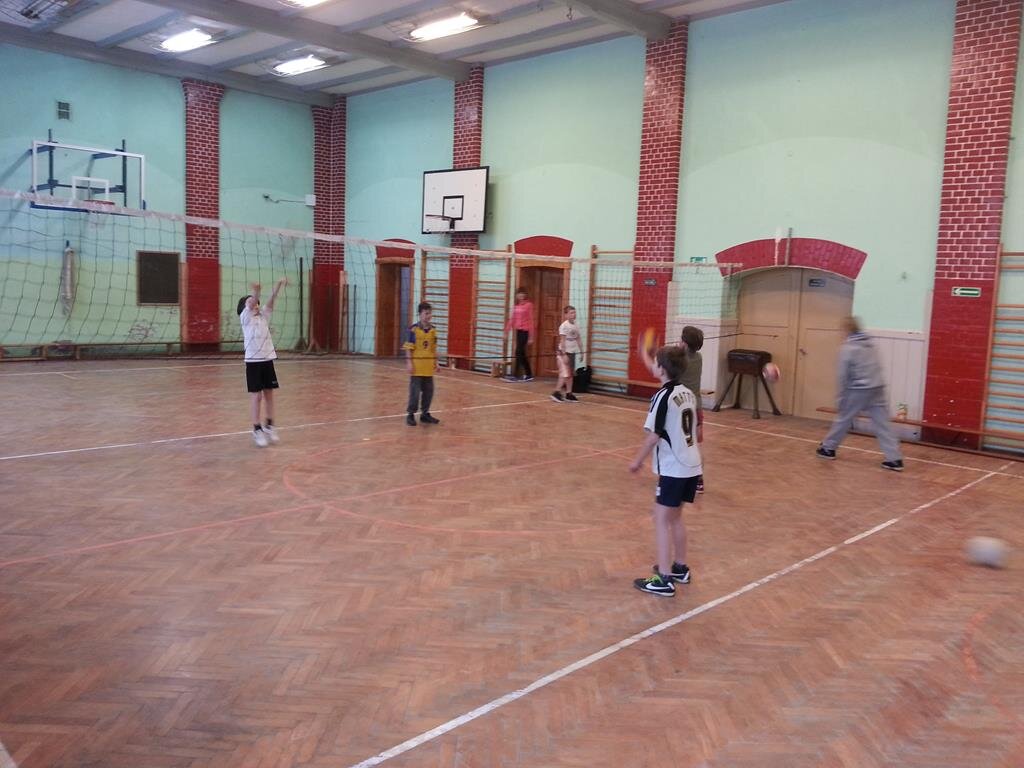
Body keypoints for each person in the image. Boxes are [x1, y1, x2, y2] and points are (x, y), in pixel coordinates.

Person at [629, 346, 703, 597]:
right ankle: (680, 567)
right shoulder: (688, 393)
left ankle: (663, 578)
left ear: (661, 369)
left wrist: (637, 461)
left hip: (674, 468)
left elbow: (654, 436)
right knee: (675, 518)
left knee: (660, 519)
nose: (653, 366)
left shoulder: (662, 396)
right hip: (692, 465)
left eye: (655, 363)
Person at [816, 316, 904, 471]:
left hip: (858, 389)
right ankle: (894, 458)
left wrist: (840, 398)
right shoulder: (871, 345)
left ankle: (828, 448)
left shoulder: (847, 348)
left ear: (846, 330)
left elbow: (843, 376)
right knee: (883, 424)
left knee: (843, 418)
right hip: (878, 387)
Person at [639, 325, 705, 491]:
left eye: (681, 340)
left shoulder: (681, 360)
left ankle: (670, 475)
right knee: (693, 442)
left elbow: (657, 367)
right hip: (695, 406)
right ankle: (698, 479)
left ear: (684, 344)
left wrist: (645, 352)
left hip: (678, 405)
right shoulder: (698, 357)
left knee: (673, 441)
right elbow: (672, 358)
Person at [237, 278, 287, 448]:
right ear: (245, 307)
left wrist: (278, 285)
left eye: (257, 303)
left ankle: (270, 426)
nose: (255, 304)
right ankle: (257, 429)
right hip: (253, 362)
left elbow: (271, 300)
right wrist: (256, 291)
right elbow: (252, 302)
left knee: (269, 394)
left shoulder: (263, 316)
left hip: (267, 359)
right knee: (256, 396)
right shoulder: (245, 317)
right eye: (251, 303)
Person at [404, 301, 441, 427]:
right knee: (414, 393)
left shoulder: (433, 330)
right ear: (419, 314)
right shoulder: (413, 329)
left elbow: (433, 348)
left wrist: (436, 363)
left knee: (429, 392)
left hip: (428, 367)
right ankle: (410, 415)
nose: (428, 316)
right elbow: (408, 348)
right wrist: (409, 363)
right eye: (426, 313)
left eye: (430, 313)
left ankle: (425, 414)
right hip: (417, 367)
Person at [504, 288, 535, 381]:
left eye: (523, 293)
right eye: (519, 294)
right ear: (517, 295)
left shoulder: (529, 305)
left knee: (518, 352)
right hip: (518, 331)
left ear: (525, 295)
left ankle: (516, 375)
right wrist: (506, 331)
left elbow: (531, 320)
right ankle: (529, 374)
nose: (521, 295)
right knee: (521, 353)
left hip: (525, 331)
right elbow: (512, 319)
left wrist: (531, 337)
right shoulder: (516, 306)